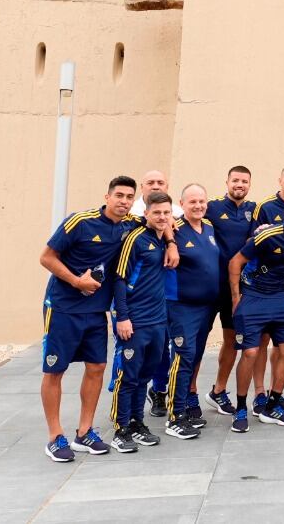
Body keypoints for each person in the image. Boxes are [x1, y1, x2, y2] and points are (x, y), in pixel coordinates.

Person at [39, 176, 177, 462]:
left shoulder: (131, 225)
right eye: (119, 196)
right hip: (63, 307)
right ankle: (54, 436)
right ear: (107, 196)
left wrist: (172, 243)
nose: (124, 201)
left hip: (96, 311)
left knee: (97, 367)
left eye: (129, 197)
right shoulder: (80, 221)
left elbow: (162, 222)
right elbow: (47, 258)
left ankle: (85, 431)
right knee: (55, 370)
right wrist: (77, 282)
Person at [228, 196, 284, 432]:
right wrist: (237, 297)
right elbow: (235, 263)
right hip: (254, 295)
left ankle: (272, 405)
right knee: (250, 352)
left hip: (280, 297)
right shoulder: (267, 235)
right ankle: (240, 408)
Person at [108, 191, 174, 452]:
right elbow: (119, 279)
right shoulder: (135, 239)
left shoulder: (163, 240)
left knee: (145, 374)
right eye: (156, 212)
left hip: (158, 321)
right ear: (146, 213)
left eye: (166, 213)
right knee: (128, 375)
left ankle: (137, 422)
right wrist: (122, 317)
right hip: (134, 321)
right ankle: (120, 428)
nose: (161, 217)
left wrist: (171, 242)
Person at [248, 164, 284, 420]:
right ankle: (259, 392)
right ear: (280, 180)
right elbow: (252, 245)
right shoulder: (266, 207)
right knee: (262, 341)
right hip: (265, 288)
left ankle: (274, 394)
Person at [163, 184, 219, 440]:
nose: (198, 205)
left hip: (207, 307)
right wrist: (170, 239)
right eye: (192, 201)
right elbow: (154, 224)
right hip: (182, 306)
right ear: (182, 204)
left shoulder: (208, 228)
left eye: (202, 201)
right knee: (183, 357)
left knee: (194, 356)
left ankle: (185, 404)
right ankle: (174, 417)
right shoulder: (173, 228)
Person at [202, 165, 255, 419]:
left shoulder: (253, 210)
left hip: (237, 288)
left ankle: (219, 391)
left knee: (232, 341)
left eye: (244, 181)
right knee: (197, 343)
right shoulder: (211, 207)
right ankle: (187, 394)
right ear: (227, 182)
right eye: (236, 180)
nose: (240, 185)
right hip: (210, 286)